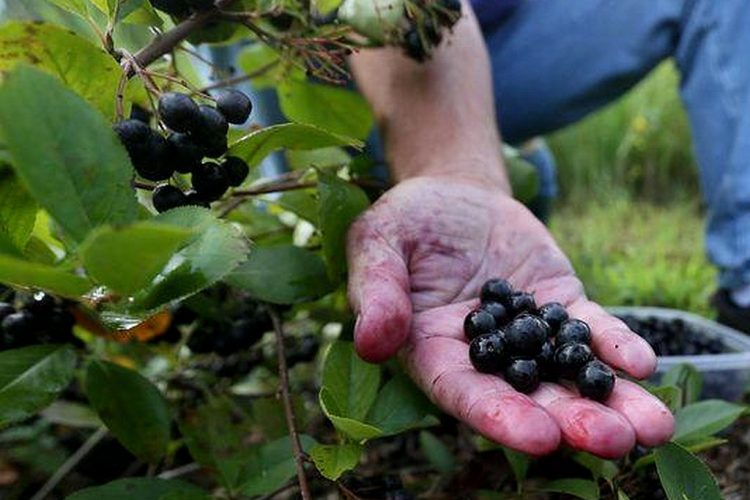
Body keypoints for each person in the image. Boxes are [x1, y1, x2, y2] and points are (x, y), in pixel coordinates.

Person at [341, 0, 750, 457]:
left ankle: (745, 295)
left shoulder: (528, 329)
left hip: (504, 35)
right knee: (532, 178)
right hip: (348, 56)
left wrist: (467, 174)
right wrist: (452, 163)